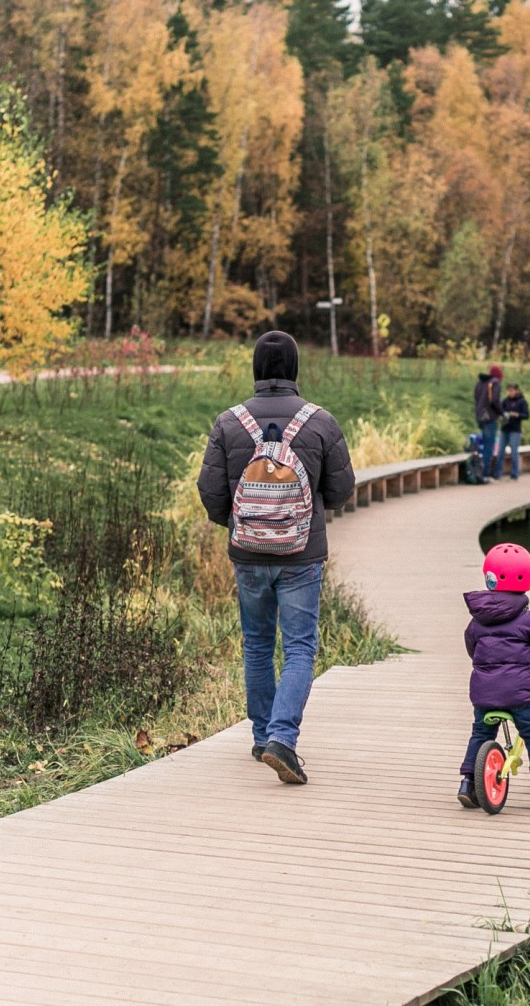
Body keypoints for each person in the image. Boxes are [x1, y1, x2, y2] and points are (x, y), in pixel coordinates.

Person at [197, 331, 355, 785]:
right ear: (295, 369)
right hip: (301, 554)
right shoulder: (320, 422)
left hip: (247, 553)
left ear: (255, 369)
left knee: (258, 644)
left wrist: (243, 527)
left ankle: (264, 733)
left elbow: (211, 493)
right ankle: (282, 739)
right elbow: (342, 491)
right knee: (300, 646)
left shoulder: (229, 423)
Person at [458, 544, 530, 807]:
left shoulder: (477, 621)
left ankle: (467, 781)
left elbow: (471, 647)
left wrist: (484, 665)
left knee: (481, 733)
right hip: (518, 694)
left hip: (483, 693)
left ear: (489, 576)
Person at [473, 364, 503, 480]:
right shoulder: (495, 383)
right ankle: (485, 474)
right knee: (489, 447)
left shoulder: (479, 383)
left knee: (484, 444)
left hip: (480, 416)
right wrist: (501, 413)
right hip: (490, 417)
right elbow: (495, 400)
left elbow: (476, 398)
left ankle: (481, 472)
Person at [498, 383, 528, 480]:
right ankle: (498, 473)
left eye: (512, 390)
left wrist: (517, 415)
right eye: (508, 390)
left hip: (515, 430)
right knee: (500, 451)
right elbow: (500, 412)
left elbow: (526, 415)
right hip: (504, 429)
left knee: (514, 452)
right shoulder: (505, 401)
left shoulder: (522, 401)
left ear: (516, 390)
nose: (510, 392)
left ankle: (514, 473)